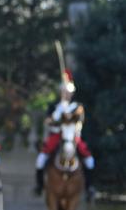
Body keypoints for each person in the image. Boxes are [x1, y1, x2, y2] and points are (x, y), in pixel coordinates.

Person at [34, 69, 95, 200]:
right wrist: (58, 111)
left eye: (68, 92)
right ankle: (39, 186)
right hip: (57, 136)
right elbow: (48, 121)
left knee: (89, 160)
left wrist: (67, 112)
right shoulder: (54, 105)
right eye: (64, 92)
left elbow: (80, 118)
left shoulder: (77, 106)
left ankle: (89, 187)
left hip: (73, 136)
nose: (67, 94)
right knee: (41, 159)